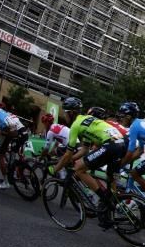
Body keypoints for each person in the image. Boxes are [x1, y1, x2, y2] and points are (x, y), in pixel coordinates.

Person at [51, 97, 127, 226]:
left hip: (111, 145)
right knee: (111, 179)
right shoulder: (89, 121)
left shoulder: (76, 125)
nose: (64, 115)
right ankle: (108, 214)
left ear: (71, 113)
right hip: (121, 144)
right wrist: (70, 159)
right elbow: (84, 150)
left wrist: (55, 169)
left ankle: (104, 199)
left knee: (79, 169)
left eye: (65, 112)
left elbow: (69, 153)